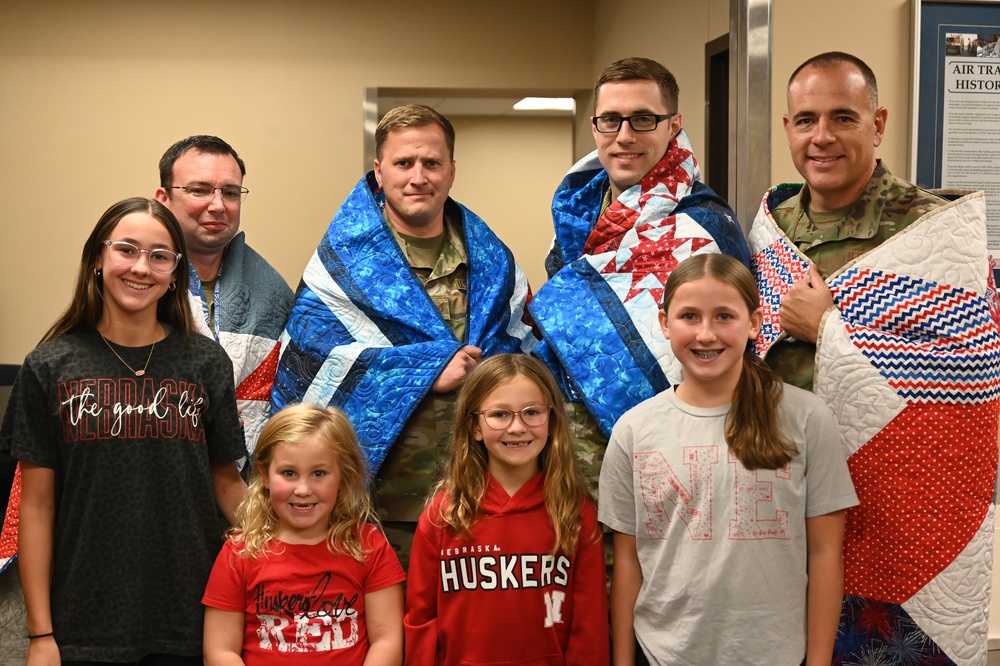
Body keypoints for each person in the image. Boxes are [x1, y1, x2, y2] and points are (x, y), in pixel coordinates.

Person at [749, 52, 1000, 663]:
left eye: (843, 117)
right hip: (780, 493)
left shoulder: (931, 230)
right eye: (805, 119)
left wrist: (828, 330)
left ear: (879, 123)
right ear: (787, 128)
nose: (822, 136)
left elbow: (975, 371)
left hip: (895, 500)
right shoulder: (765, 230)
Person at [272, 105, 536, 570]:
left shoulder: (495, 263)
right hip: (379, 510)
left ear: (451, 171)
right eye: (403, 163)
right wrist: (424, 370)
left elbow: (527, 364)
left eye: (432, 163)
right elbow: (311, 371)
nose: (418, 177)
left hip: (479, 499)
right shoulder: (341, 267)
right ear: (378, 172)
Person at [1, 197, 247, 664]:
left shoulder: (206, 363)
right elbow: (35, 506)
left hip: (193, 618)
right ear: (98, 258)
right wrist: (40, 635)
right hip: (82, 623)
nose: (141, 267)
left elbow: (226, 481)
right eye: (126, 250)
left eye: (159, 256)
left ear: (175, 273)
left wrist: (299, 540)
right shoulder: (49, 366)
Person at [600, 254, 857, 665]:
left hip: (776, 653)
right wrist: (623, 660)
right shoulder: (634, 430)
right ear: (664, 323)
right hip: (665, 652)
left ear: (754, 322)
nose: (706, 334)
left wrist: (820, 661)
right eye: (689, 316)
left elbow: (826, 552)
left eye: (724, 316)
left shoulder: (807, 419)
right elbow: (628, 559)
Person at [529, 57, 749, 492]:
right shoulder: (578, 216)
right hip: (565, 460)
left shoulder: (704, 226)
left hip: (673, 463)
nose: (624, 136)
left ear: (673, 124)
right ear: (595, 127)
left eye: (643, 119)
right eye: (611, 120)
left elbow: (730, 351)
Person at [404, 354, 608, 665]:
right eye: (500, 414)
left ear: (552, 421)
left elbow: (589, 626)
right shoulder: (443, 515)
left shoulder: (574, 513)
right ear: (474, 426)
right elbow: (421, 622)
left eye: (532, 412)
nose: (517, 427)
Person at [202, 403, 404, 665]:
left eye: (318, 473)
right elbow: (220, 651)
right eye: (289, 473)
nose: (303, 489)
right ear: (264, 474)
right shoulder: (239, 552)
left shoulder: (368, 545)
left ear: (342, 476)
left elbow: (387, 640)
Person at [156, 135, 294, 455]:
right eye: (199, 190)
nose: (217, 205)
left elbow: (293, 397)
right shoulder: (137, 281)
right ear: (163, 198)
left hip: (248, 481)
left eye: (230, 193)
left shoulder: (273, 292)